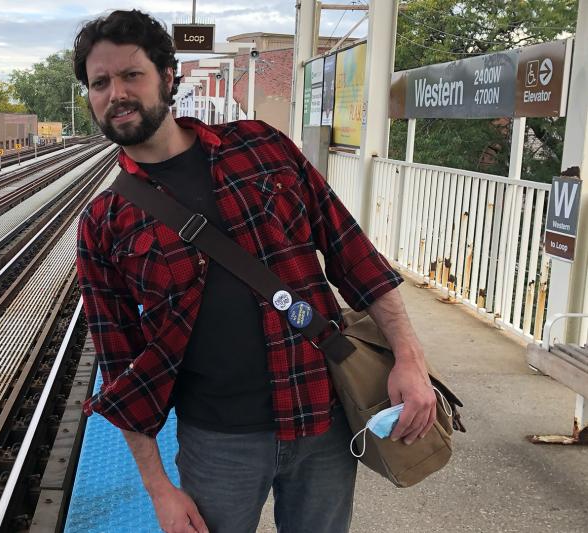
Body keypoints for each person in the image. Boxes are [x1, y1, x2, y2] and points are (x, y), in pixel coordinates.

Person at [73, 9, 437, 533]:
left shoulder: (260, 147)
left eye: (132, 75)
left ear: (168, 78)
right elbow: (119, 361)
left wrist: (410, 359)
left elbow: (351, 252)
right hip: (217, 444)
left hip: (324, 419)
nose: (116, 93)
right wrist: (159, 490)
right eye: (100, 82)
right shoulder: (106, 221)